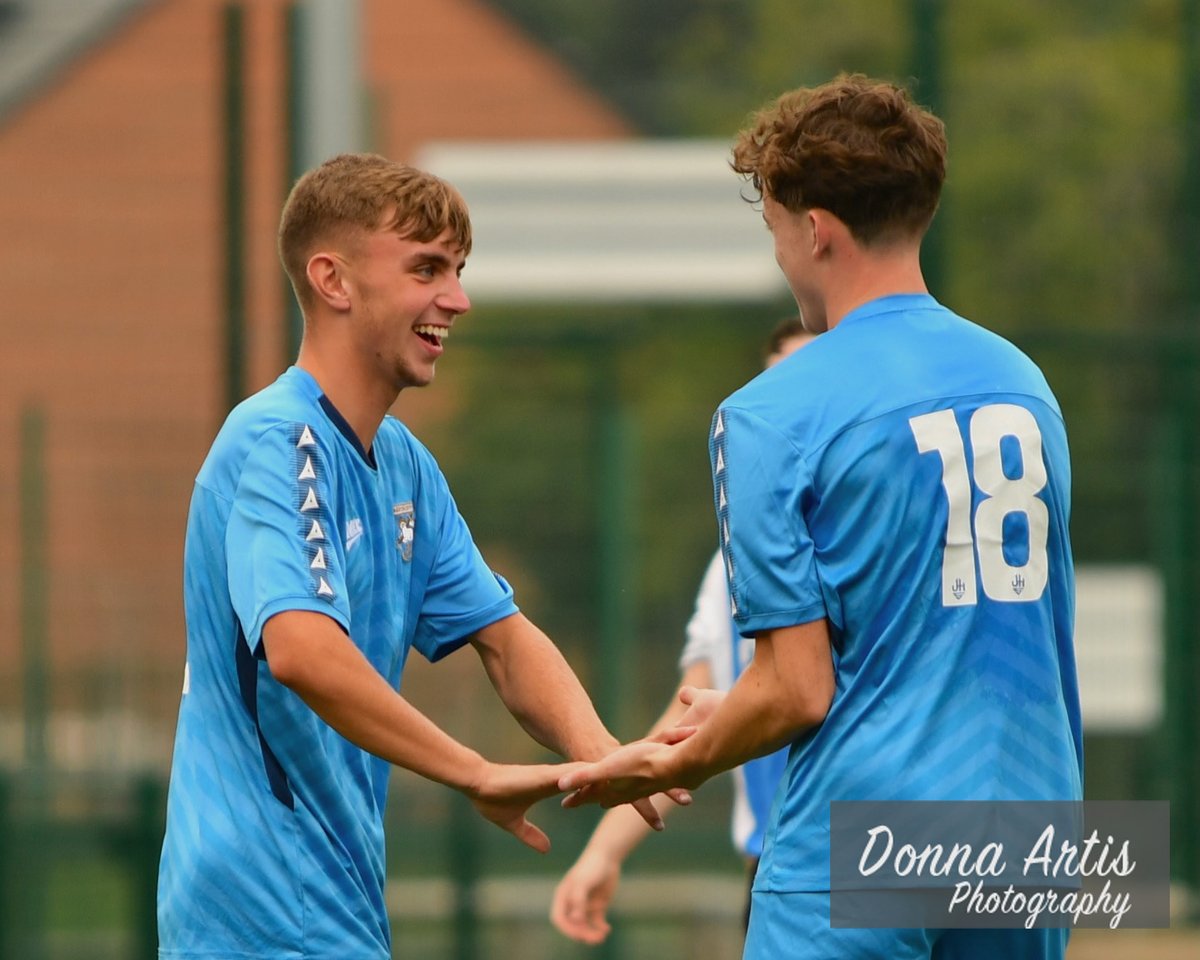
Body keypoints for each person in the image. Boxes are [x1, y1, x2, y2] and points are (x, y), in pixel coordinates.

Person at [560, 74, 1082, 960]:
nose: (778, 257)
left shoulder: (771, 411)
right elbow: (936, 638)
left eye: (772, 229)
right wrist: (737, 709)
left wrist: (671, 760)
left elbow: (797, 689)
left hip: (866, 841)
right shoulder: (1022, 383)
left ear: (814, 229)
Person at [156, 153, 675, 959]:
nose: (457, 300)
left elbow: (503, 638)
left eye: (459, 271)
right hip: (261, 911)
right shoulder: (277, 439)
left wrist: (605, 759)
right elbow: (301, 650)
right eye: (427, 268)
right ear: (334, 280)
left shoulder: (401, 462)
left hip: (336, 902)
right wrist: (474, 771)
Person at [549, 318, 813, 945]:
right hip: (779, 874)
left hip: (881, 860)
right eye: (784, 385)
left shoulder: (883, 538)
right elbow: (689, 715)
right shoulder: (735, 564)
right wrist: (604, 850)